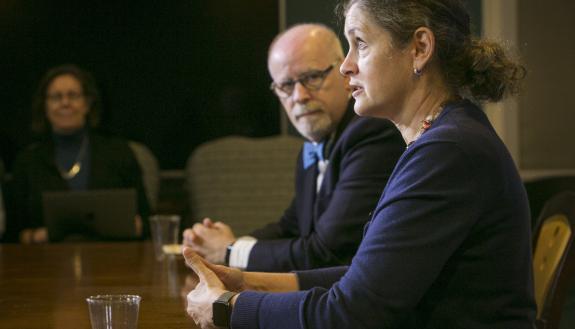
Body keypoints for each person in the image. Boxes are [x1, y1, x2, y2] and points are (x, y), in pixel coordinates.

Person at [183, 0, 537, 328]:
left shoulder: (449, 151)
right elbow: (363, 278)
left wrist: (228, 307)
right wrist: (247, 280)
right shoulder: (443, 140)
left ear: (420, 49)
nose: (346, 66)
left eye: (360, 43)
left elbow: (352, 312)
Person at [182, 24, 405, 272]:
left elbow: (327, 252)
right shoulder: (312, 147)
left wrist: (230, 251)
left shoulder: (372, 132)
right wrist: (223, 243)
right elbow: (292, 227)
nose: (299, 96)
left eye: (311, 77)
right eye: (286, 85)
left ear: (345, 74)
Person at [9, 64, 150, 243]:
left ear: (87, 104)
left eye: (73, 95)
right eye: (56, 97)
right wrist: (34, 237)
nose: (65, 103)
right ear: (44, 106)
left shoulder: (119, 153)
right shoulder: (27, 162)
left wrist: (135, 226)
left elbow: (147, 222)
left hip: (114, 260)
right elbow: (12, 234)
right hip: (45, 262)